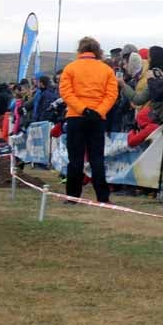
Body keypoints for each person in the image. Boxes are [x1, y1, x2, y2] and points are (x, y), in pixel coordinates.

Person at [59, 36, 118, 204]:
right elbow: (112, 94)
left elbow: (66, 92)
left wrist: (81, 109)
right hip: (98, 118)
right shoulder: (106, 70)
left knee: (75, 159)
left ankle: (72, 197)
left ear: (80, 50)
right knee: (97, 159)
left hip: (76, 118)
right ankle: (103, 197)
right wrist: (99, 111)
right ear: (97, 51)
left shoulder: (70, 68)